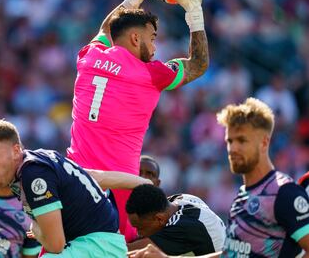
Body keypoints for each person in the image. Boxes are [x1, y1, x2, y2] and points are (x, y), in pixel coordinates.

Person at [67, 0, 208, 241]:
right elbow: (198, 64)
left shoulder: (88, 57)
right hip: (118, 193)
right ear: (135, 39)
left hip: (73, 180)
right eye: (153, 38)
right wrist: (194, 10)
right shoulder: (150, 74)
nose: (155, 47)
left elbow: (109, 28)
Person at [129, 98, 309, 258]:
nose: (233, 149)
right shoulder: (242, 199)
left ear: (264, 142)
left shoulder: (285, 194)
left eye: (242, 140)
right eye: (230, 141)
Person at [0, 119, 152, 257]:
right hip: (103, 246)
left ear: (16, 150)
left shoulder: (33, 175)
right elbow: (98, 177)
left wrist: (36, 229)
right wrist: (145, 185)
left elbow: (55, 244)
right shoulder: (42, 159)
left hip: (95, 248)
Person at [126, 184, 225, 256]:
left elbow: (127, 251)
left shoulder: (185, 227)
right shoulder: (178, 200)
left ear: (159, 219)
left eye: (140, 228)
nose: (139, 233)